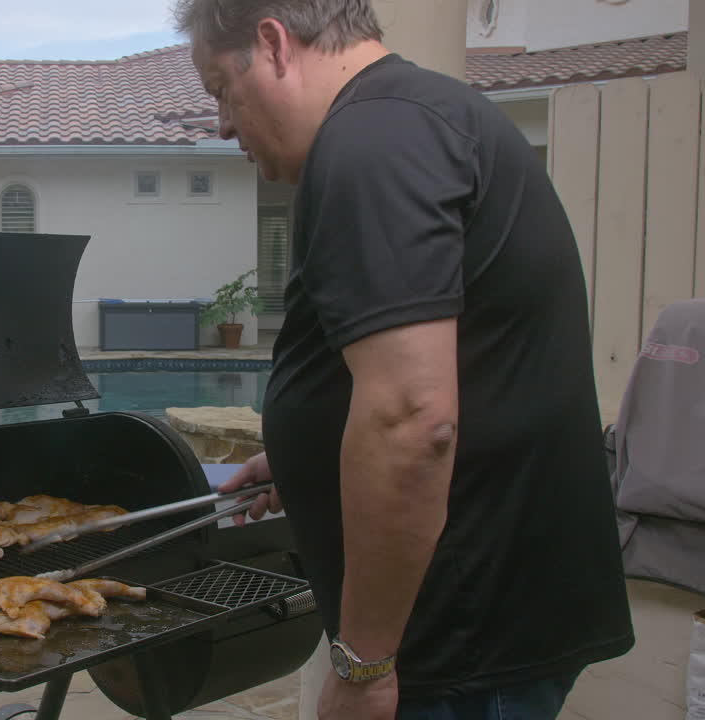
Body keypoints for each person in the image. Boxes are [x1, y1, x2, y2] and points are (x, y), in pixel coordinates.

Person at [172, 1, 635, 718]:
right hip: (487, 619)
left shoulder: (373, 142)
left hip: (458, 643)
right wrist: (310, 460)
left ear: (272, 44)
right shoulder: (416, 116)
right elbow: (449, 371)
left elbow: (412, 420)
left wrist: (364, 666)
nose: (225, 123)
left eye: (220, 91)